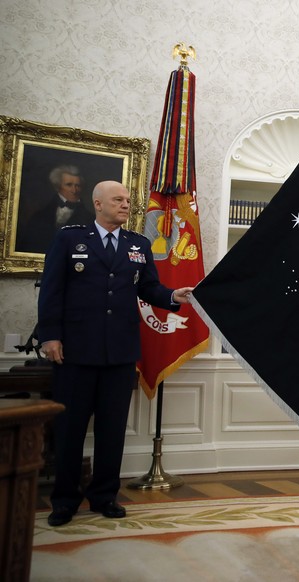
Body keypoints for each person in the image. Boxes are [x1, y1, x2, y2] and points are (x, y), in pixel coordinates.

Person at [38, 180, 195, 527]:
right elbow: (52, 290)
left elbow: (149, 287)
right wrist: (50, 336)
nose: (126, 205)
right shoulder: (70, 239)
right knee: (70, 431)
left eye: (127, 200)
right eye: (118, 200)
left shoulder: (137, 245)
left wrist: (173, 296)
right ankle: (64, 500)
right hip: (75, 353)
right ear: (98, 203)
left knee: (112, 431)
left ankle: (104, 495)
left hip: (120, 354)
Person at [17, 165, 95, 254]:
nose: (74, 190)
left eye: (78, 186)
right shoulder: (39, 216)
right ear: (57, 187)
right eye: (69, 185)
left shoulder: (91, 220)